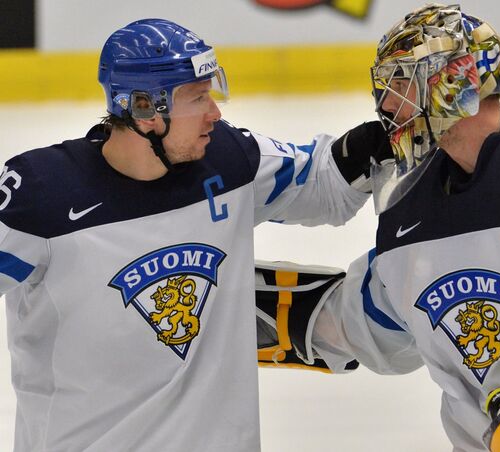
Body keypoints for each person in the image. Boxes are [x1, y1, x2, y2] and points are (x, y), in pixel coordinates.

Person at [255, 3, 500, 451]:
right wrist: (227, 314)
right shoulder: (407, 208)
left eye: (402, 82)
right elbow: (366, 324)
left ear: (457, 79)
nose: (387, 103)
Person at [0, 18, 390, 452]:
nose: (215, 113)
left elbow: (321, 184)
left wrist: (384, 140)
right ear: (144, 108)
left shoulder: (228, 161)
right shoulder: (42, 196)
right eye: (198, 97)